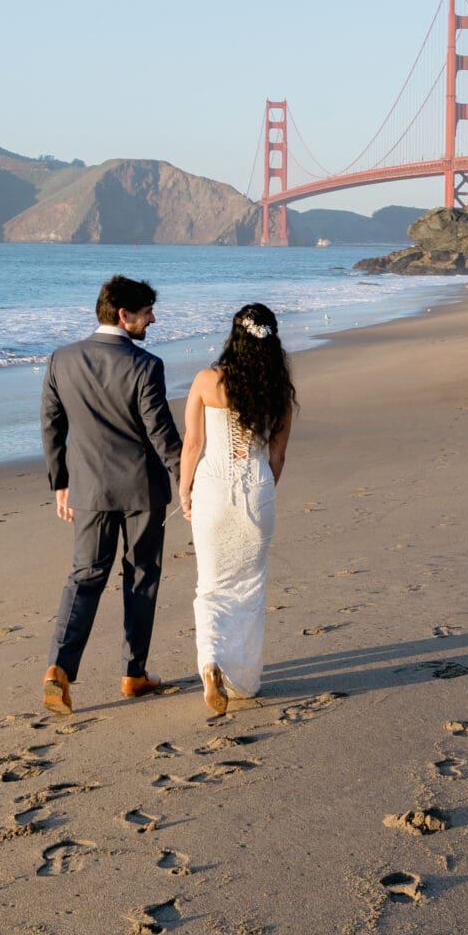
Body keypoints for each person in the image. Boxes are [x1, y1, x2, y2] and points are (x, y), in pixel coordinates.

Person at [38, 275, 183, 714]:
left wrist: (61, 483)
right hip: (142, 489)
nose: (152, 319)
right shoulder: (145, 366)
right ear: (124, 315)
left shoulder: (61, 359)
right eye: (146, 313)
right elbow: (161, 434)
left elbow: (51, 425)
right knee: (141, 578)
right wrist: (190, 480)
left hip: (89, 488)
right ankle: (133, 674)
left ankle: (58, 671)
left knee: (85, 576)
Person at [179, 301, 296, 715]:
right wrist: (263, 489)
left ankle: (211, 663)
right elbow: (277, 457)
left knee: (210, 585)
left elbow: (192, 445)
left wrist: (184, 489)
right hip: (257, 490)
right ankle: (243, 681)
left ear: (235, 337)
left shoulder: (207, 381)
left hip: (213, 490)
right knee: (249, 586)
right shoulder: (278, 390)